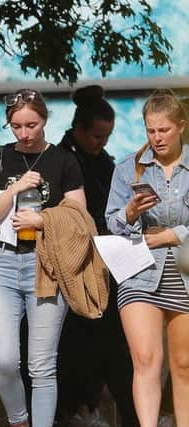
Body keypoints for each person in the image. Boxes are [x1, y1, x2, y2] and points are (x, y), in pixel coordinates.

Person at [0, 88, 85, 427]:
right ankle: (18, 419)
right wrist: (14, 189)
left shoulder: (64, 159)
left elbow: (80, 217)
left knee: (41, 364)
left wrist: (42, 220)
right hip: (3, 262)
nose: (24, 134)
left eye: (32, 125)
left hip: (47, 263)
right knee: (5, 360)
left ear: (45, 121)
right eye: (16, 126)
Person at [105, 89, 189, 427]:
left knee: (183, 363)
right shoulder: (130, 169)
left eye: (163, 130)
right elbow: (111, 221)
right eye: (150, 130)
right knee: (145, 359)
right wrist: (129, 212)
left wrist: (173, 235)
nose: (156, 138)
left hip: (184, 270)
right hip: (140, 272)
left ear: (181, 126)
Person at [57, 85, 138, 427]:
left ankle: (118, 412)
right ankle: (80, 409)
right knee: (83, 350)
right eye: (96, 136)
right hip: (77, 271)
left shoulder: (104, 162)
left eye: (107, 137)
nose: (102, 143)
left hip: (108, 268)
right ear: (79, 130)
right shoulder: (62, 161)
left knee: (117, 348)